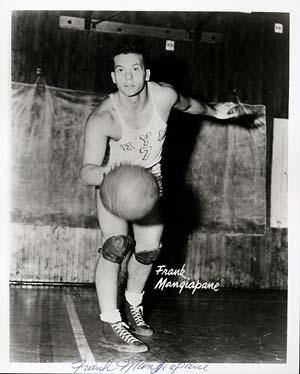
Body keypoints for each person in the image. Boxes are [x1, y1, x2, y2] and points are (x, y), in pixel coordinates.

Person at [80, 42, 240, 353]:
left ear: (147, 73)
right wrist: (112, 170)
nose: (128, 77)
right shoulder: (103, 117)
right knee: (116, 245)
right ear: (113, 77)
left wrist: (215, 111)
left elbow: (190, 104)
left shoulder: (163, 95)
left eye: (135, 69)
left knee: (149, 251)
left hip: (150, 186)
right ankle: (110, 322)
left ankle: (133, 305)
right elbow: (86, 172)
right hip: (115, 185)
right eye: (121, 71)